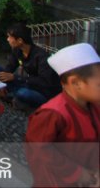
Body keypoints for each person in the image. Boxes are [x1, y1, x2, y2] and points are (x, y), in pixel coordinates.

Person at [25, 43, 100, 187]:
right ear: (76, 83)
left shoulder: (94, 106)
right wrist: (78, 173)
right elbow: (39, 150)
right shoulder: (52, 114)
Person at [0, 23, 61, 110]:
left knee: (23, 93)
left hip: (43, 92)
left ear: (20, 40)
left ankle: (12, 96)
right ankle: (9, 95)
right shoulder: (17, 50)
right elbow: (10, 67)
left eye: (10, 37)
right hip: (27, 84)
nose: (7, 39)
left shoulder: (41, 56)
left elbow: (44, 82)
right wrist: (0, 83)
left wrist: (17, 78)